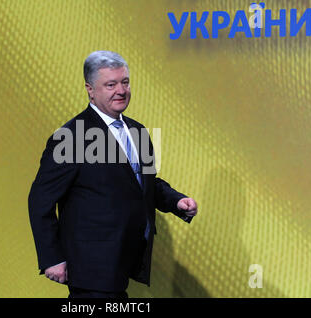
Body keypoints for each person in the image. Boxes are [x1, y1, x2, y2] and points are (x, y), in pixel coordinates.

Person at [28, 50, 198, 298]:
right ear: (90, 89)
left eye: (125, 82)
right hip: (90, 268)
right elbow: (39, 200)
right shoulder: (71, 137)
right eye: (111, 84)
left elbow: (144, 182)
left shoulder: (137, 131)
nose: (121, 90)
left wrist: (175, 201)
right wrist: (52, 258)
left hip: (125, 262)